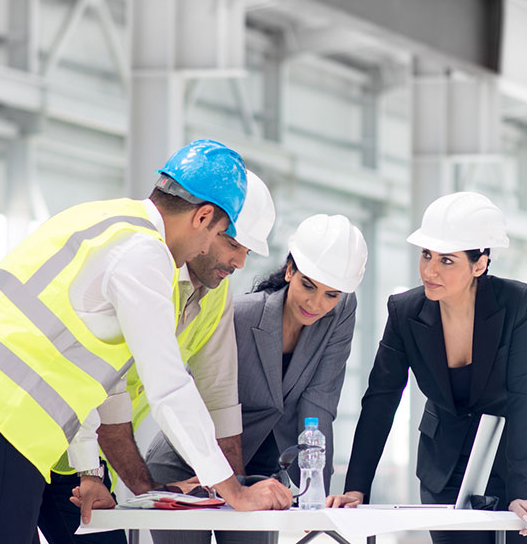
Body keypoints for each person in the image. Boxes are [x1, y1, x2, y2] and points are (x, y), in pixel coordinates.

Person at [0, 139, 291, 544]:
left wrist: (89, 469)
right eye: (220, 234)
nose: (208, 249)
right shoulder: (147, 255)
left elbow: (71, 364)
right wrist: (231, 489)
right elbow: (168, 387)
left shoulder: (102, 219)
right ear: (203, 217)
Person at [36, 170, 277, 544]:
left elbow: (219, 396)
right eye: (232, 243)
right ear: (206, 222)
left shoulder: (215, 294)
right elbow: (153, 389)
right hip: (47, 439)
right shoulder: (144, 266)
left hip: (84, 457)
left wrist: (234, 505)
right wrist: (149, 489)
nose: (239, 262)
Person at [328, 192, 527, 544]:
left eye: (447, 260)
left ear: (480, 264)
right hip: (446, 467)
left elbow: (525, 396)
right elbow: (381, 398)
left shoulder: (517, 304)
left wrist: (523, 489)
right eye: (426, 255)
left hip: (524, 461)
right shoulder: (405, 312)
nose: (430, 270)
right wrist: (356, 487)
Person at [145, 213, 368, 544]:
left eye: (331, 294)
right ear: (290, 269)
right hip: (189, 464)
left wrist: (314, 493)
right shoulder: (239, 315)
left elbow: (319, 403)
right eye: (308, 285)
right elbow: (200, 400)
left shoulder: (339, 313)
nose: (316, 303)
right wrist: (216, 476)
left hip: (259, 475)